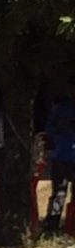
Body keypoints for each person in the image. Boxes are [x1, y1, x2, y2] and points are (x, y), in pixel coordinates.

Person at [43, 79, 75, 236]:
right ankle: (53, 225)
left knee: (60, 193)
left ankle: (68, 225)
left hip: (63, 154)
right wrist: (61, 129)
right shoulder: (61, 108)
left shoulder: (60, 108)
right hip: (62, 154)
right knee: (59, 193)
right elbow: (49, 129)